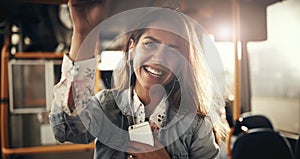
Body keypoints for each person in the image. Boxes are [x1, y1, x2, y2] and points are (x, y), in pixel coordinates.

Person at [49, 0, 230, 158]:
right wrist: (83, 33)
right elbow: (65, 128)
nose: (159, 58)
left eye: (172, 50)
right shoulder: (106, 106)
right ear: (131, 49)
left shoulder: (196, 125)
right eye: (150, 44)